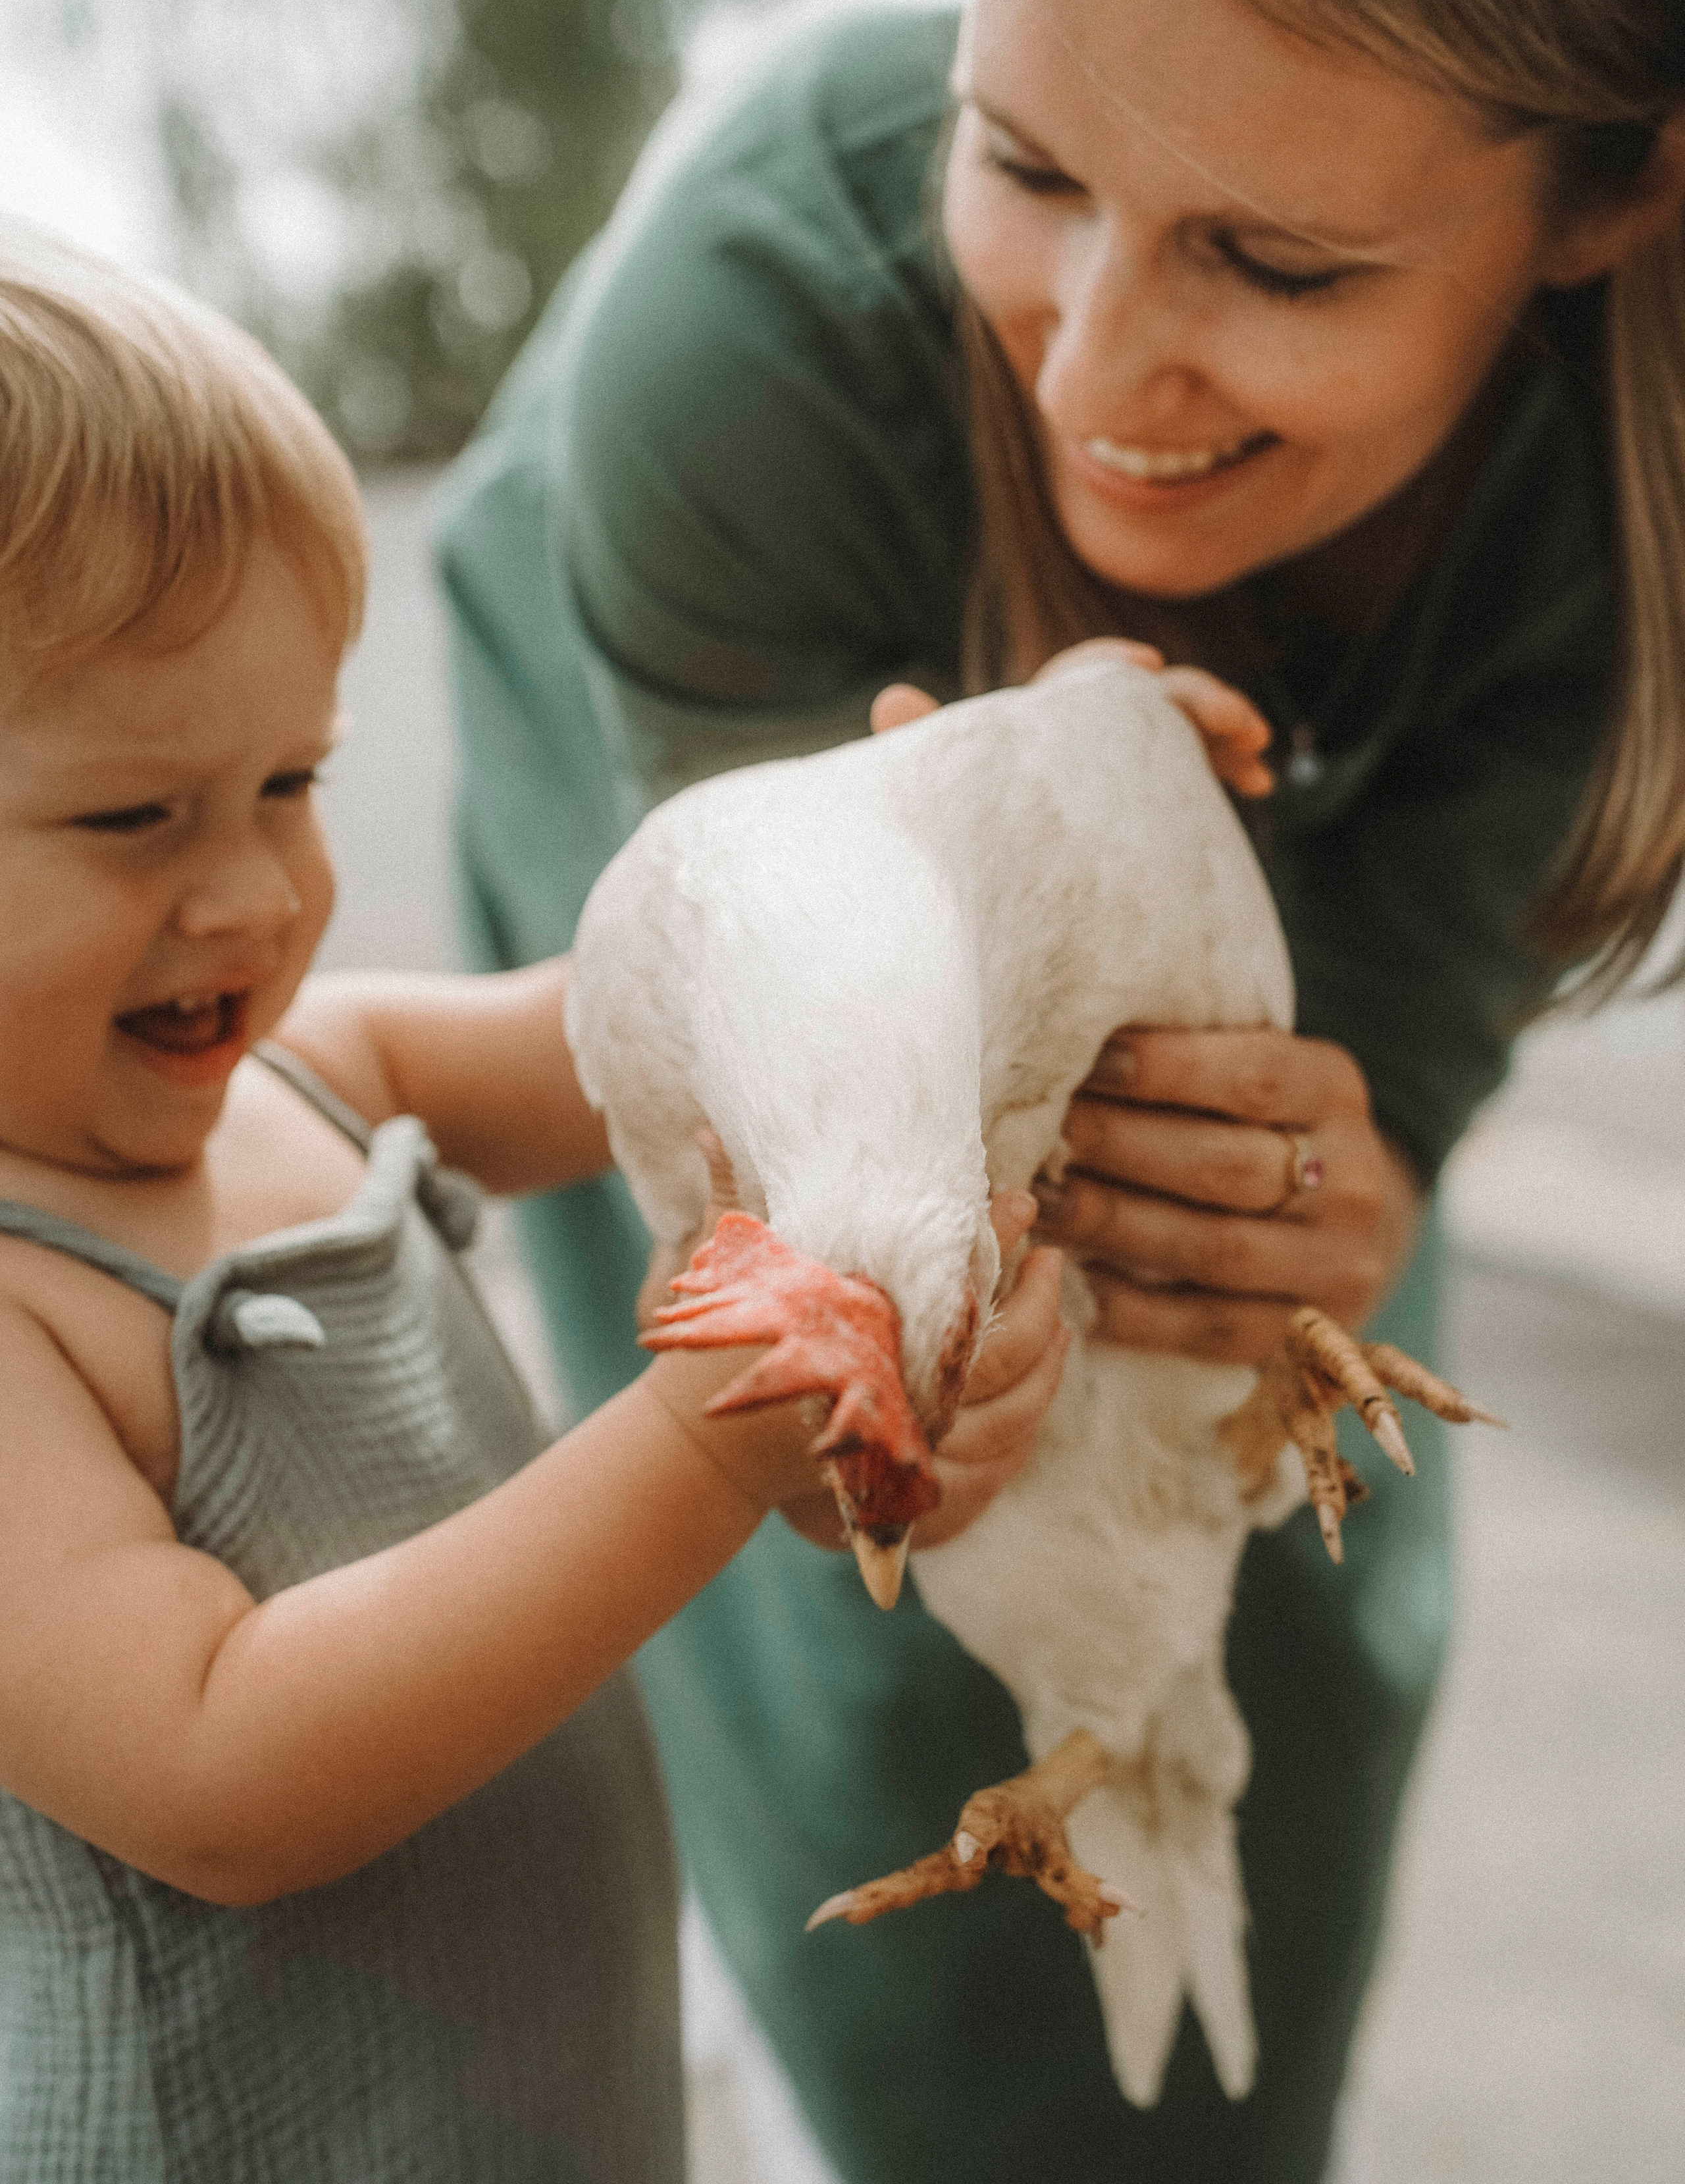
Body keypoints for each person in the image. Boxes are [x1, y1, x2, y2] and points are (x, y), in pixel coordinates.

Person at [436, 0, 1685, 2177]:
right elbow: (817, 1108)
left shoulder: (1609, 505)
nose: (1094, 361)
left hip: (1260, 740)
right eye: (1023, 164)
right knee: (890, 1598)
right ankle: (816, 2048)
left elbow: (1365, 1113)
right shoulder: (755, 333)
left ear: (1612, 198)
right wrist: (889, 1381)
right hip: (728, 653)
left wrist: (1329, 1176)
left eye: (1278, 262)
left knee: (1269, 1530)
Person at [0, 222, 1072, 2181]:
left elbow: (666, 1009)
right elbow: (220, 1767)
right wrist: (705, 1438)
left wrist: (935, 842)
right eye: (132, 816)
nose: (254, 893)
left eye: (292, 783)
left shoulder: (324, 1069)